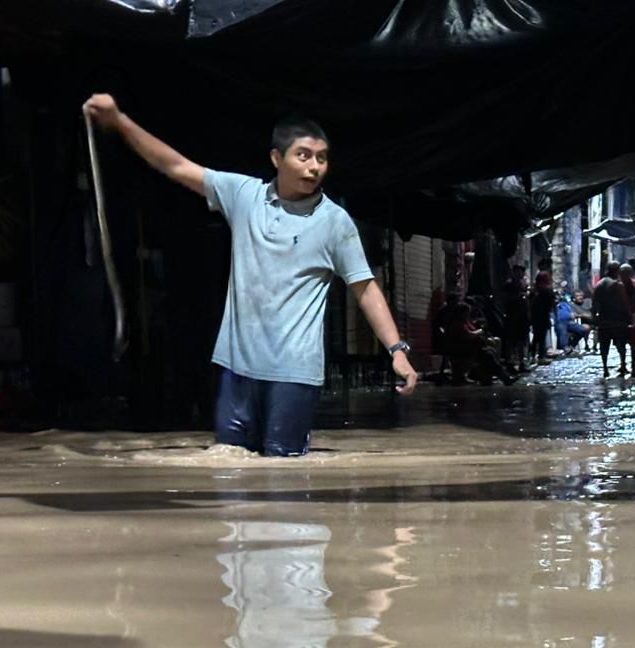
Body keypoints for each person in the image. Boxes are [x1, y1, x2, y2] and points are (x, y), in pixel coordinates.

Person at [82, 94, 417, 456]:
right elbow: (175, 166)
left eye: (321, 158)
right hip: (236, 368)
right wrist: (120, 121)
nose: (314, 167)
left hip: (294, 373)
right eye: (303, 155)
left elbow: (364, 288)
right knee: (229, 468)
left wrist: (396, 350)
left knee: (285, 475)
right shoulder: (243, 196)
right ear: (277, 158)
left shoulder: (335, 222)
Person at [593, 260, 633, 377]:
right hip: (618, 320)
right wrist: (629, 315)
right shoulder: (618, 285)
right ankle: (623, 365)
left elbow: (595, 303)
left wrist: (595, 317)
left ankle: (605, 368)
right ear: (617, 271)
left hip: (604, 320)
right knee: (621, 345)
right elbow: (624, 302)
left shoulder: (599, 284)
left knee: (604, 346)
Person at [503, 263, 531, 368]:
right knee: (511, 339)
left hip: (522, 315)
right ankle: (509, 361)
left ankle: (521, 361)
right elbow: (505, 298)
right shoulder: (509, 284)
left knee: (521, 339)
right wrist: (518, 297)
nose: (520, 273)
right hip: (512, 315)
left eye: (522, 271)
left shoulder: (523, 284)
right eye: (518, 271)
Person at [529, 270, 556, 362]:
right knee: (541, 337)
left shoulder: (534, 290)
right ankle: (541, 355)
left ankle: (532, 354)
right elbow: (551, 304)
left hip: (535, 316)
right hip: (543, 316)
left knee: (537, 336)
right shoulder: (547, 291)